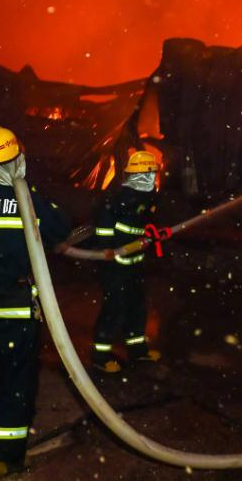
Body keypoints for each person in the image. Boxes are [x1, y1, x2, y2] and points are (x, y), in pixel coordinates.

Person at [0, 125, 70, 478]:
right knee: (14, 382)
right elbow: (60, 228)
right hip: (14, 307)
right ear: (15, 159)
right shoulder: (26, 199)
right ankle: (5, 455)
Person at [91, 150, 167, 372]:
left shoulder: (148, 198)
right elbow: (104, 228)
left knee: (137, 307)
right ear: (140, 175)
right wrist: (108, 249)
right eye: (149, 174)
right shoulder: (119, 199)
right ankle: (100, 356)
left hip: (134, 264)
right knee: (113, 308)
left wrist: (155, 234)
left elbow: (148, 224)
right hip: (114, 266)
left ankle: (137, 351)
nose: (152, 179)